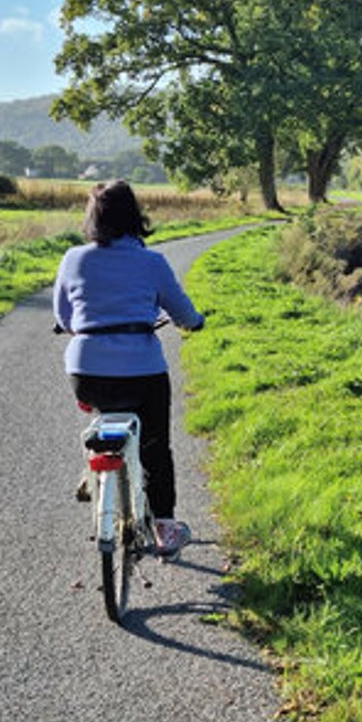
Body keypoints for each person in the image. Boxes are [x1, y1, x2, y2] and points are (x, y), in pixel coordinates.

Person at [53, 180, 205, 555]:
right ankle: (165, 527)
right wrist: (195, 322)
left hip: (86, 373)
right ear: (137, 216)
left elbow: (64, 316)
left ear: (93, 218)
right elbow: (182, 312)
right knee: (155, 445)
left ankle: (97, 467)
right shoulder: (152, 262)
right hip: (143, 372)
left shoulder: (73, 258)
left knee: (104, 409)